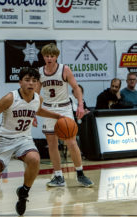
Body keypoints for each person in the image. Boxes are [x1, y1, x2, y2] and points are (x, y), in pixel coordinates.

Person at [0, 67, 63, 216]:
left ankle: (24, 193)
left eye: (34, 81)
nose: (31, 83)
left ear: (37, 84)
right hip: (3, 140)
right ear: (20, 82)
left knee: (34, 159)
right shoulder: (10, 97)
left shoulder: (38, 98)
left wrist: (58, 116)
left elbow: (38, 110)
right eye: (27, 80)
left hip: (24, 139)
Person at [36, 43, 93, 188]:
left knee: (72, 142)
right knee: (52, 144)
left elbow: (76, 87)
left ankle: (80, 174)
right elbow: (35, 95)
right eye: (47, 56)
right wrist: (33, 113)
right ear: (43, 57)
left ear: (56, 57)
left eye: (52, 56)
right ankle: (58, 176)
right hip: (49, 110)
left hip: (64, 108)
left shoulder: (64, 69)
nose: (49, 58)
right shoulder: (40, 72)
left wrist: (80, 105)